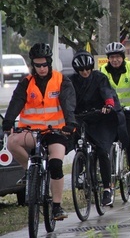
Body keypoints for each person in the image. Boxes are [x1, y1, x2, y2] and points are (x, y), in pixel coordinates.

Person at [2, 43, 77, 220]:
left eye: (44, 64)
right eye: (37, 65)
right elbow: (16, 102)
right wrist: (8, 121)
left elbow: (68, 103)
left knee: (56, 165)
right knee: (12, 141)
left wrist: (70, 122)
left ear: (49, 63)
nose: (41, 68)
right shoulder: (26, 82)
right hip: (31, 131)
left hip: (56, 132)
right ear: (32, 65)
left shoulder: (61, 80)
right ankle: (29, 172)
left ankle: (57, 207)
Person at [71, 50, 129, 205]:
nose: (85, 72)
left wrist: (108, 104)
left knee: (102, 150)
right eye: (81, 70)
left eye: (87, 69)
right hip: (81, 117)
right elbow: (67, 97)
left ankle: (107, 189)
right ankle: (81, 170)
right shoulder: (71, 81)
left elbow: (107, 92)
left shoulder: (99, 78)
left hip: (101, 117)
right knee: (78, 144)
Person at [100, 42, 130, 195]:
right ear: (108, 59)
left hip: (129, 111)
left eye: (118, 57)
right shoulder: (103, 71)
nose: (115, 60)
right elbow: (100, 89)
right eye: (112, 57)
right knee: (105, 144)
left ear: (123, 57)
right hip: (111, 112)